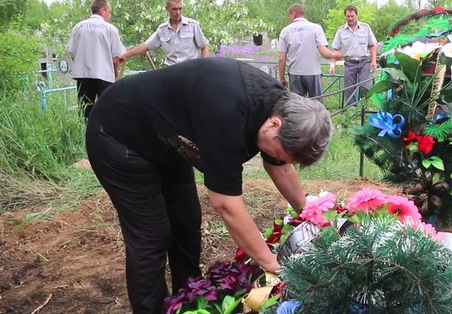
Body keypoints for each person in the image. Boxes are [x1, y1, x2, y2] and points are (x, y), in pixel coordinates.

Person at [85, 57, 332, 314]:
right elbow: (226, 204)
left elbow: (280, 166)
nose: (281, 161)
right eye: (283, 154)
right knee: (152, 236)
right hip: (117, 135)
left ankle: (186, 303)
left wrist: (309, 214)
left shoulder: (278, 108)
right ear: (274, 125)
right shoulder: (228, 116)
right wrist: (272, 263)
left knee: (186, 224)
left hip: (169, 139)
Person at [66, 0, 125, 120]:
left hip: (83, 75)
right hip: (104, 76)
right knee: (106, 109)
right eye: (109, 11)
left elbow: (72, 53)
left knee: (85, 110)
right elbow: (116, 58)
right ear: (102, 11)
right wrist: (115, 72)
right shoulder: (110, 29)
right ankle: (104, 136)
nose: (110, 14)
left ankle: (85, 135)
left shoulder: (78, 27)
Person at [278, 3, 342, 97]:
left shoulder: (285, 31)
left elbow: (281, 59)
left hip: (295, 74)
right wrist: (333, 55)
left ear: (293, 13)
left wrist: (282, 78)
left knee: (298, 106)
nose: (289, 18)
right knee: (316, 105)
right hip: (313, 73)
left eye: (289, 15)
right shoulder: (316, 28)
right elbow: (324, 52)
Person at [122, 0, 209, 67]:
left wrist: (204, 67)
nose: (178, 12)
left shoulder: (192, 25)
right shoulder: (162, 30)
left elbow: (204, 47)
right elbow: (146, 46)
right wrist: (125, 55)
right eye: (174, 9)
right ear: (167, 9)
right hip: (171, 73)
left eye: (180, 8)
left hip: (191, 71)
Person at [329, 5, 377, 107]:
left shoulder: (365, 28)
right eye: (348, 16)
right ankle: (352, 111)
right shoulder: (341, 31)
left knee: (365, 86)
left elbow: (372, 45)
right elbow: (335, 49)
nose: (350, 18)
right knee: (349, 89)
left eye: (352, 16)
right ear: (345, 16)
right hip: (349, 62)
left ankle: (364, 107)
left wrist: (373, 61)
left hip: (364, 61)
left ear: (356, 15)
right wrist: (332, 65)